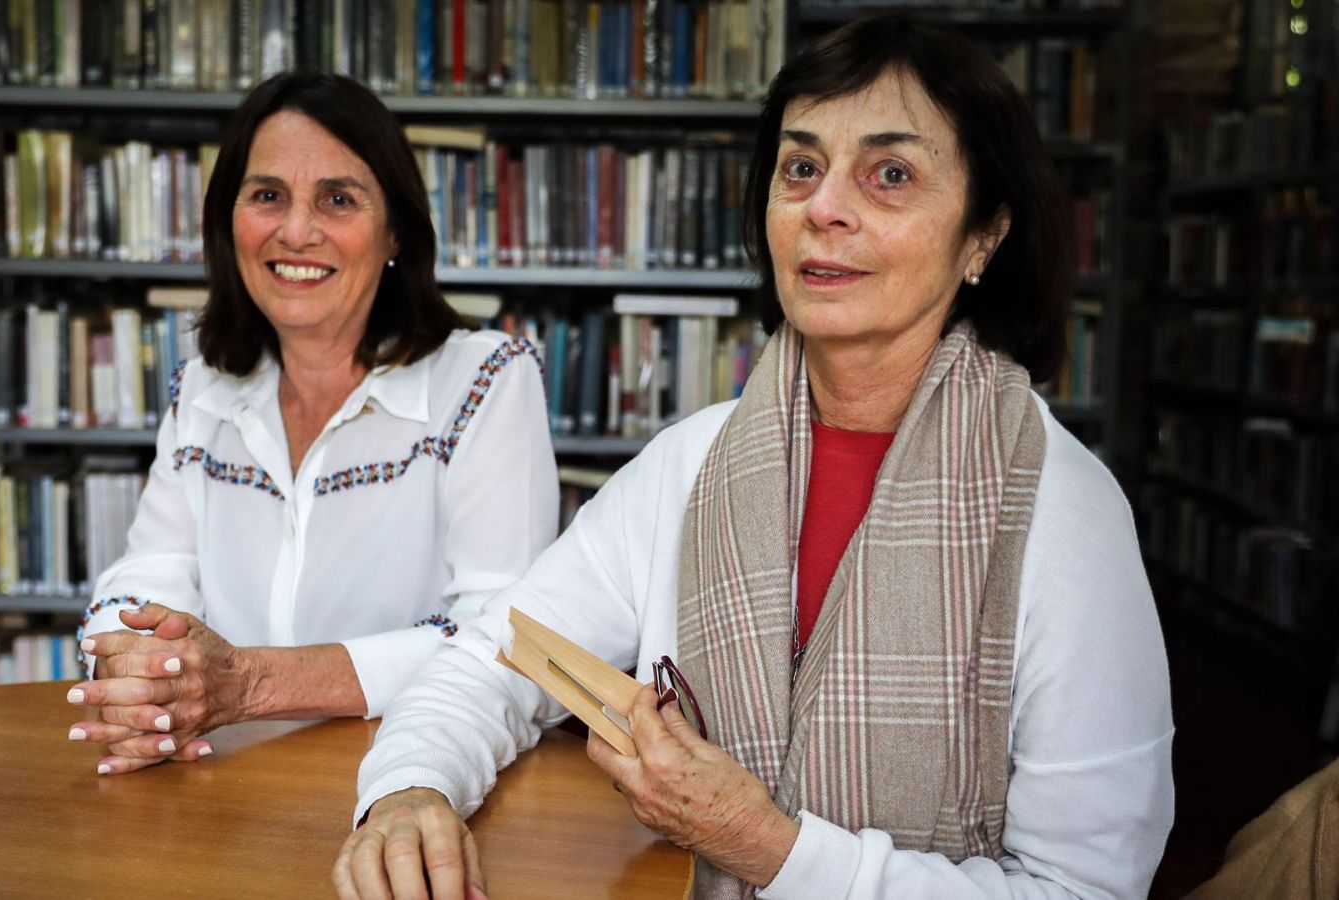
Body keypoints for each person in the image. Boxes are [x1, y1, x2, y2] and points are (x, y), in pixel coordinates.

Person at [335, 14, 1173, 899]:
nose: (824, 208)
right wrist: (407, 790)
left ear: (983, 237)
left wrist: (771, 848)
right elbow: (492, 659)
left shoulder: (1062, 509)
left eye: (890, 175)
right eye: (801, 168)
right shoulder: (689, 465)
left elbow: (1089, 889)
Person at [64, 72, 558, 775]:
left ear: (395, 232)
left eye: (338, 199)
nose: (296, 231)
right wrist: (140, 674)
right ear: (227, 220)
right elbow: (149, 572)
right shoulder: (203, 387)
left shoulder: (484, 381)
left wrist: (251, 682)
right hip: (222, 784)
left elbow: (511, 640)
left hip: (416, 783)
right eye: (268, 196)